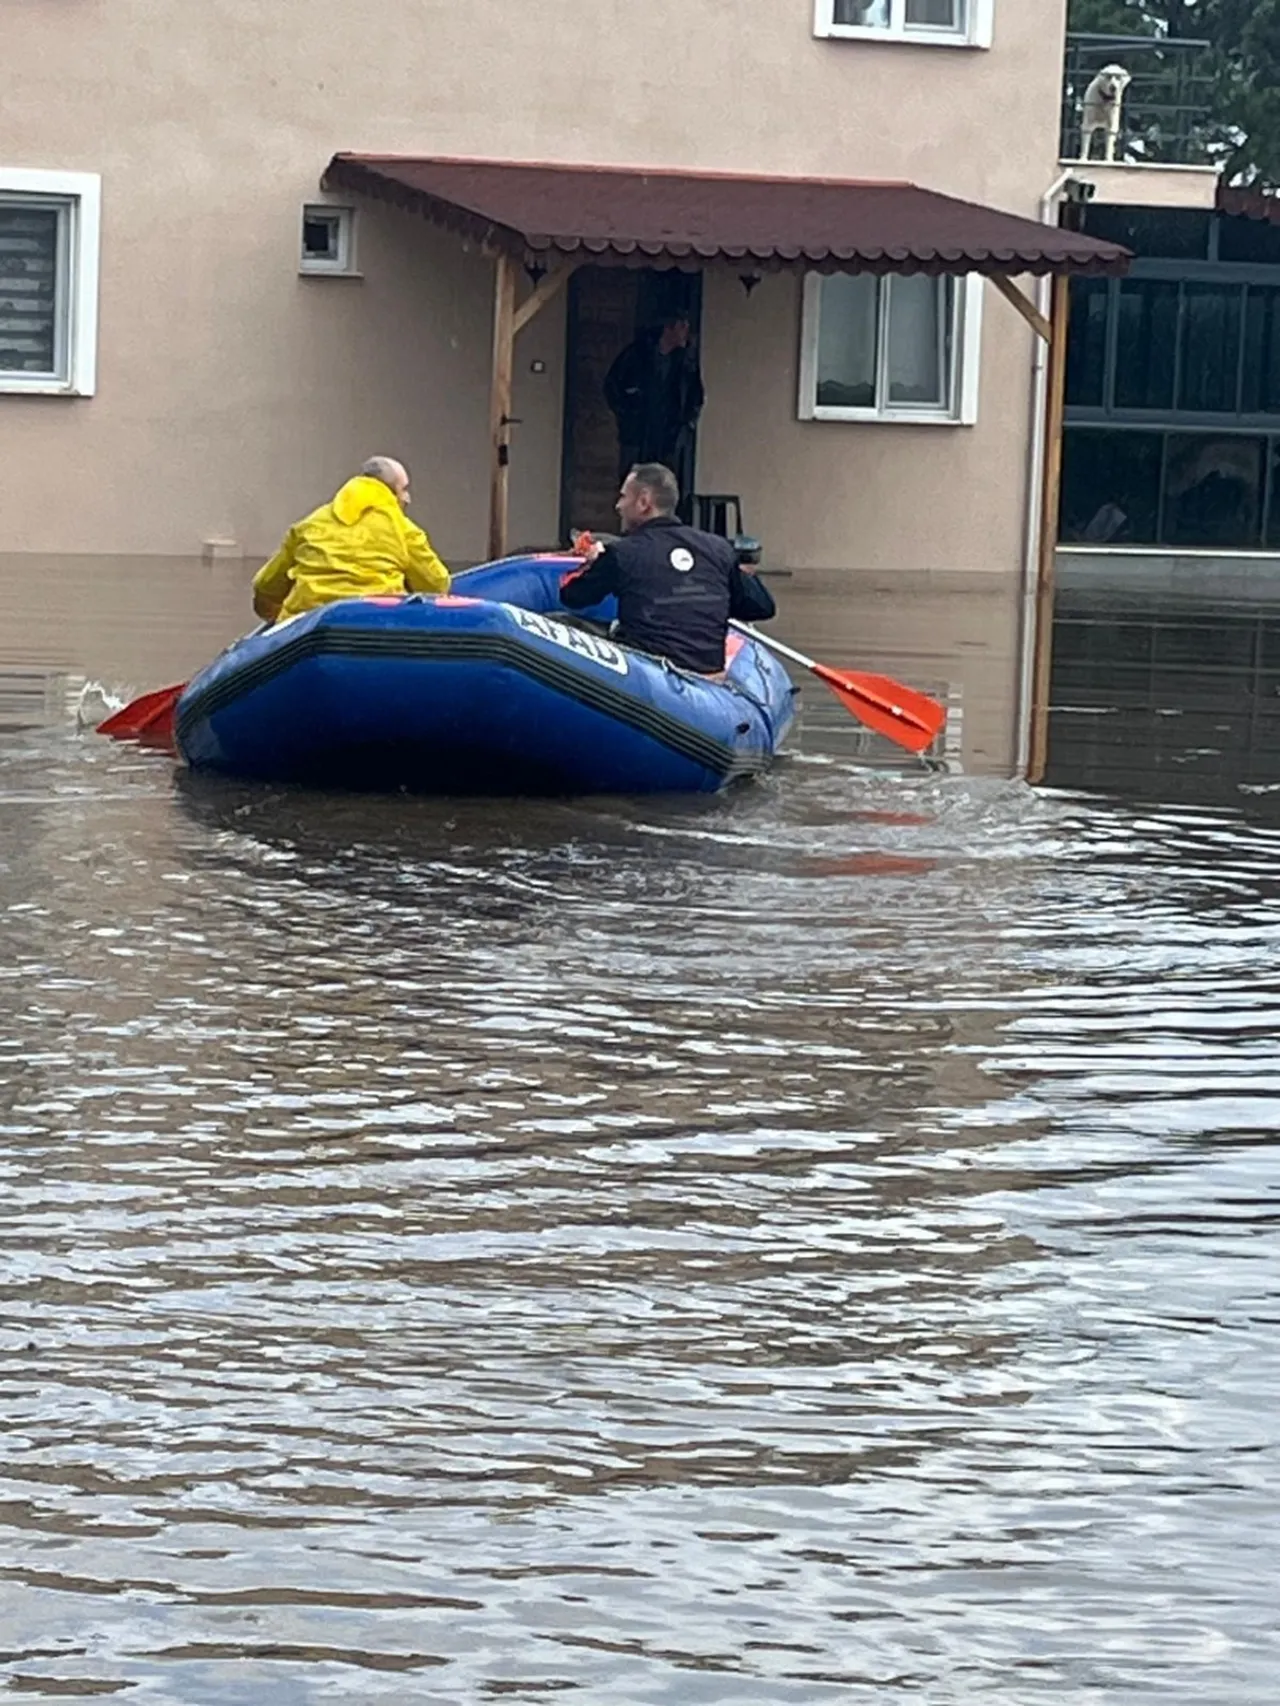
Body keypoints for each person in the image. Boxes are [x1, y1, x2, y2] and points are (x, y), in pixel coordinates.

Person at [559, 463, 776, 676]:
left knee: (559, 622)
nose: (618, 506)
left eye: (623, 497)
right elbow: (761, 607)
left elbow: (572, 596)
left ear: (643, 502)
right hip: (707, 675)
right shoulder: (718, 549)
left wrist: (593, 561)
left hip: (648, 675)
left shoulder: (622, 553)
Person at [251, 456, 450, 622]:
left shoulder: (309, 524)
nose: (407, 498)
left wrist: (274, 617)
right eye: (404, 489)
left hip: (306, 625)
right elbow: (436, 585)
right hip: (376, 622)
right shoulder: (405, 530)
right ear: (391, 492)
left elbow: (265, 585)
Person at [603, 314, 705, 497]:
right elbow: (612, 387)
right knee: (633, 489)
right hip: (638, 436)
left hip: (670, 439)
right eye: (682, 326)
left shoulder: (686, 362)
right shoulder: (636, 355)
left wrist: (687, 425)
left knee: (667, 492)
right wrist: (627, 415)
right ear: (669, 327)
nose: (686, 333)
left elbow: (696, 397)